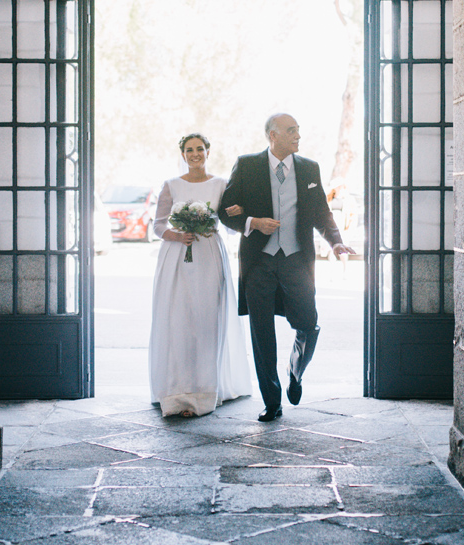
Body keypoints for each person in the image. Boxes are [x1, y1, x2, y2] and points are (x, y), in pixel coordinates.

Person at [219, 113, 355, 422]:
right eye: (291, 131)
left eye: (298, 130)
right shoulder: (247, 165)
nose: (298, 135)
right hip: (258, 264)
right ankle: (272, 401)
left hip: (296, 260)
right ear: (273, 136)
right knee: (261, 333)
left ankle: (295, 371)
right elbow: (225, 212)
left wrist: (335, 241)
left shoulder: (309, 168)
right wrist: (253, 222)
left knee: (308, 323)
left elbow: (321, 211)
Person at [149, 133, 252, 417]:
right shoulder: (171, 185)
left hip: (209, 255)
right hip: (177, 257)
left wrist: (237, 212)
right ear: (182, 154)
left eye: (200, 149)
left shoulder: (221, 185)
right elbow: (157, 225)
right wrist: (176, 234)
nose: (195, 154)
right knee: (179, 321)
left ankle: (207, 390)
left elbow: (231, 226)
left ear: (208, 152)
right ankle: (177, 390)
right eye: (189, 150)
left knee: (208, 320)